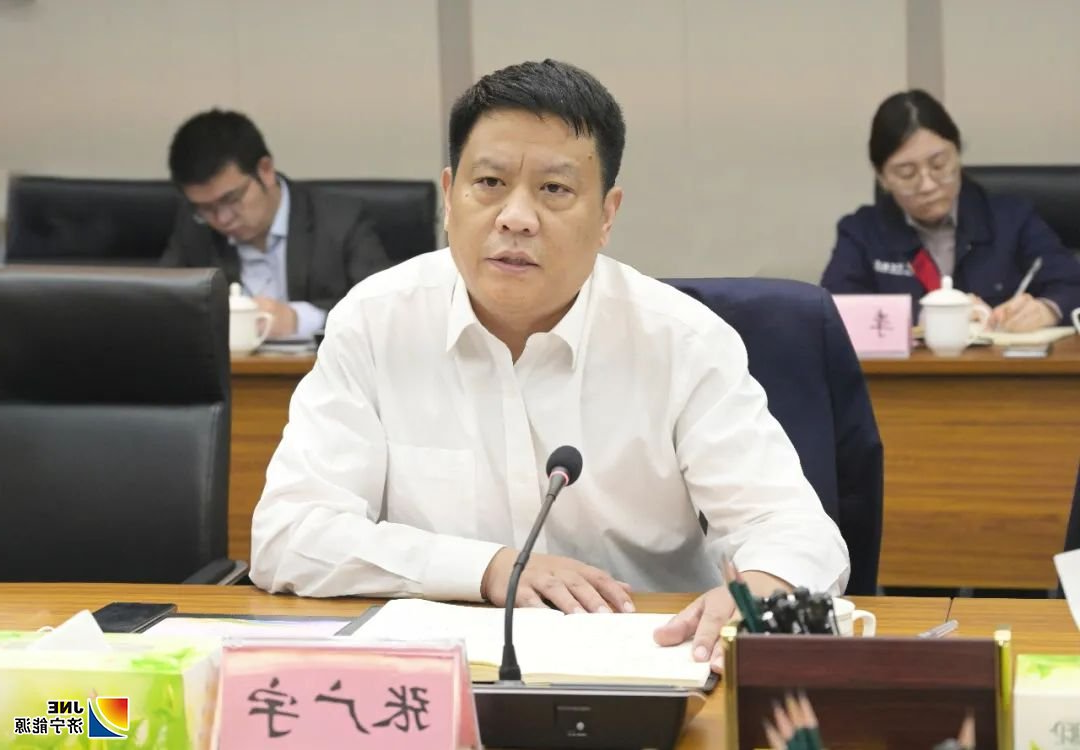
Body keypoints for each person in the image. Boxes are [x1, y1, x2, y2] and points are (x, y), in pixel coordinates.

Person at [250, 59, 848, 671]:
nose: (516, 217)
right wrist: (487, 568)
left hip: (649, 666)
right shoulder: (376, 322)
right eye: (489, 182)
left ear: (607, 215)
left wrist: (764, 587)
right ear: (449, 197)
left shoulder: (682, 341)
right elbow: (289, 534)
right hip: (439, 675)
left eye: (554, 190)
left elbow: (793, 527)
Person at [821, 90, 1080, 331]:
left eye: (939, 165)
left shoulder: (1012, 219)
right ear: (882, 178)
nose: (927, 185)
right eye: (907, 173)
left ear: (957, 155)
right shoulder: (861, 233)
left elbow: (1072, 283)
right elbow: (834, 309)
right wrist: (925, 317)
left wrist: (1048, 309)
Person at [161, 109, 390, 338]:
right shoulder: (194, 228)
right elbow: (161, 305)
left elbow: (384, 311)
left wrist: (300, 319)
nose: (222, 219)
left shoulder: (341, 220)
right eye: (205, 208)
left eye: (231, 199)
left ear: (265, 170)